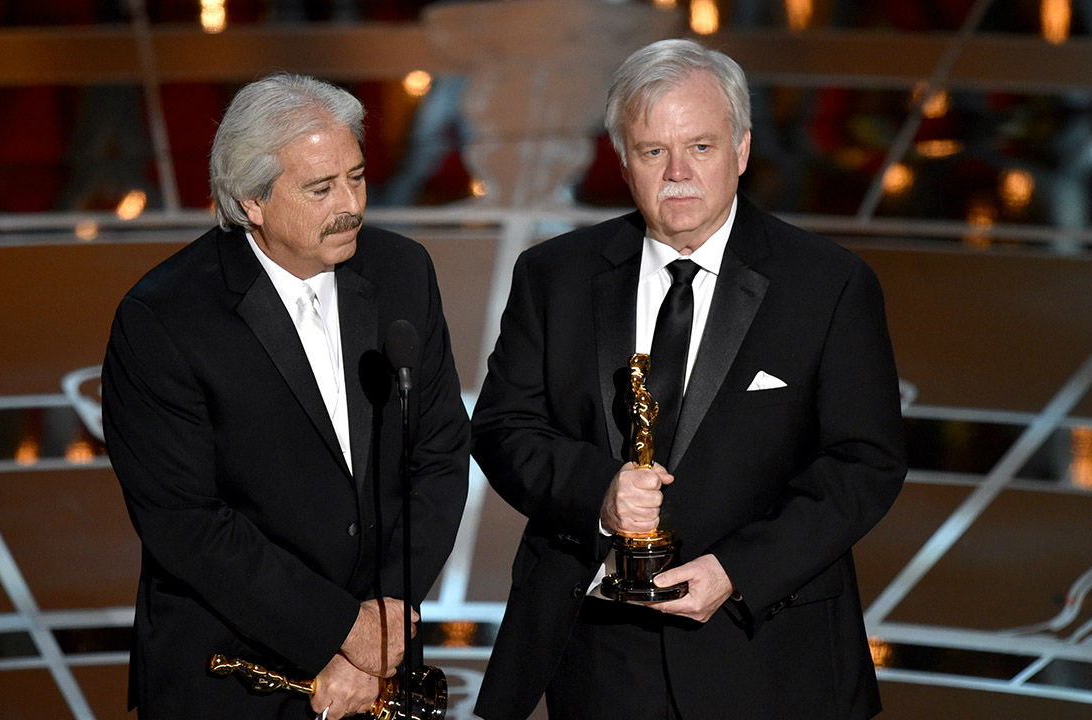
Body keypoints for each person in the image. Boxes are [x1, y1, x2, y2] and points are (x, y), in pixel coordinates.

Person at [471, 38, 906, 720]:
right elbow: (503, 428)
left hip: (769, 653)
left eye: (700, 147)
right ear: (623, 160)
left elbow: (864, 464)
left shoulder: (828, 285)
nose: (677, 172)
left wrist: (737, 572)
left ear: (741, 149)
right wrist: (599, 493)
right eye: (653, 151)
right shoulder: (555, 276)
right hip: (601, 657)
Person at [101, 73, 470, 719]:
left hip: (381, 665)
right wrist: (336, 634)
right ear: (252, 202)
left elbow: (438, 454)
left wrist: (383, 621)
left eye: (356, 177)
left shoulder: (402, 272)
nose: (350, 203)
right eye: (321, 188)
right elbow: (186, 523)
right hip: (234, 672)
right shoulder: (164, 318)